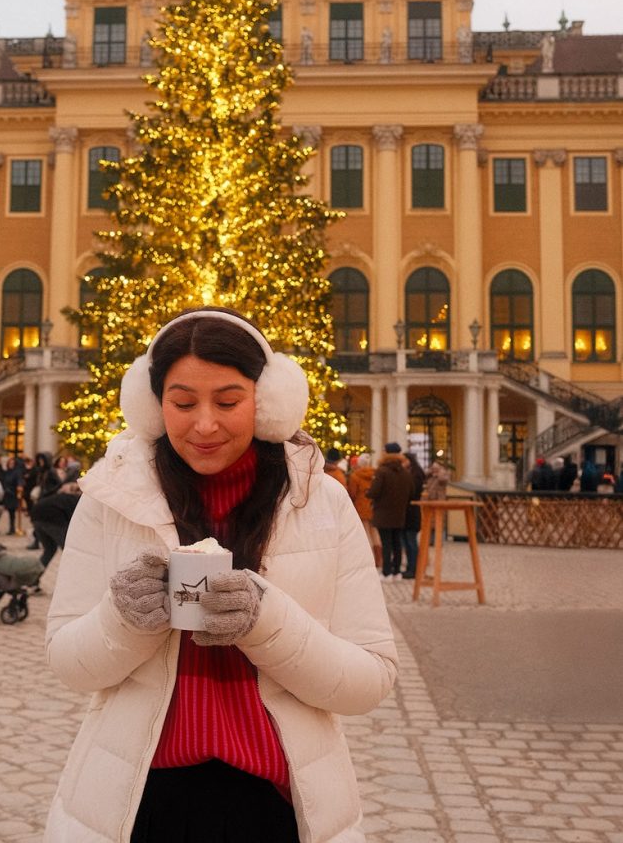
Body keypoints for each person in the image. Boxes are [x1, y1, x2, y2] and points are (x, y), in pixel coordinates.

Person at [44, 308, 397, 843]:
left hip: (277, 804)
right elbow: (70, 663)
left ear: (269, 401)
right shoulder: (110, 500)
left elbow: (368, 680)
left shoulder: (321, 503)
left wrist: (265, 621)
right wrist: (123, 619)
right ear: (154, 405)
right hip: (136, 800)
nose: (204, 423)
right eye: (182, 402)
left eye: (228, 401)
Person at [366, 442, 413, 581]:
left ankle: (387, 572)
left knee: (386, 543)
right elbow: (411, 491)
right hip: (399, 513)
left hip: (383, 513)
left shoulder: (382, 471)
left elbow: (374, 491)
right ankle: (397, 571)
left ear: (386, 453)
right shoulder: (405, 472)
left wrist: (368, 493)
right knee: (397, 542)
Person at [347, 452, 381, 568]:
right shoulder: (376, 474)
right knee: (375, 532)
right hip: (374, 506)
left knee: (365, 533)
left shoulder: (355, 476)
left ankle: (369, 560)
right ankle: (379, 559)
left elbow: (352, 493)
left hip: (361, 506)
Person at [401, 452, 426, 580]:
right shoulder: (409, 473)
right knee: (406, 542)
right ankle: (410, 568)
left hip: (412, 513)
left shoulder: (416, 475)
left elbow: (412, 492)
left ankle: (414, 568)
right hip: (406, 513)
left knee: (411, 542)